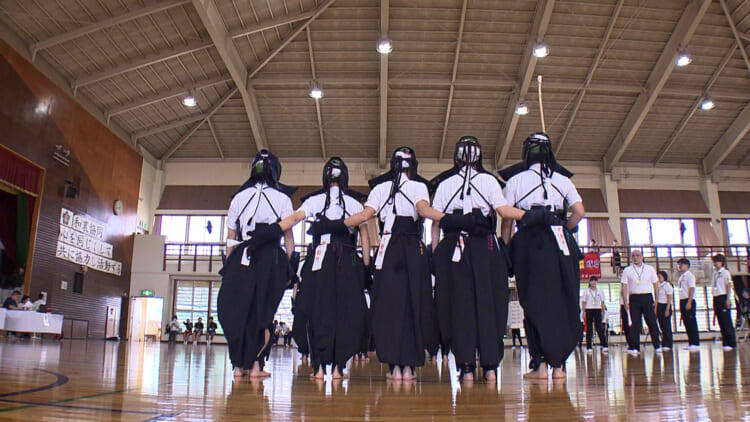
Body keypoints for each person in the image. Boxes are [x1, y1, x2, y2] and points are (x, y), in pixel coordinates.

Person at [343, 147, 444, 381]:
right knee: (414, 303)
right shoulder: (418, 186)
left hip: (387, 248)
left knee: (388, 306)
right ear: (412, 166)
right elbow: (424, 211)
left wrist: (338, 224)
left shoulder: (380, 188)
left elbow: (365, 215)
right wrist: (451, 219)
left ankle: (393, 367)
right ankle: (409, 366)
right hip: (412, 247)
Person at [429, 136, 525, 382]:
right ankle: (491, 367)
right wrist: (534, 217)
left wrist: (436, 253)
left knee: (458, 305)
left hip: (453, 247)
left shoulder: (445, 183)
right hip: (485, 246)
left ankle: (466, 366)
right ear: (479, 156)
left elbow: (436, 223)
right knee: (489, 302)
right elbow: (504, 213)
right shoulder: (489, 180)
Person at [500, 132, 585, 381]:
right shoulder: (562, 180)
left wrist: (507, 249)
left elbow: (506, 218)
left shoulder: (515, 180)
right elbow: (579, 211)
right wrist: (565, 228)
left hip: (529, 241)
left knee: (533, 302)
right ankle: (559, 366)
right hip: (560, 241)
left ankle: (539, 365)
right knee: (563, 301)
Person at [276, 157, 369, 379]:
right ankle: (338, 368)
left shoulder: (314, 201)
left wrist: (273, 230)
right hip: (347, 258)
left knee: (315, 309)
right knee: (346, 311)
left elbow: (294, 219)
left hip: (319, 256)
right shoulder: (356, 205)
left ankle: (318, 367)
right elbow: (365, 237)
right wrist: (366, 268)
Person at [218, 149, 296, 379]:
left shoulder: (238, 198)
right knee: (264, 311)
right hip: (271, 255)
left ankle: (238, 367)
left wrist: (229, 266)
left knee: (241, 309)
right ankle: (256, 366)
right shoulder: (282, 198)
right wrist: (293, 266)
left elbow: (230, 239)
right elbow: (289, 238)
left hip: (242, 256)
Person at [621, 249, 661, 356]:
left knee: (652, 322)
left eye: (637, 255)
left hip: (647, 297)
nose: (635, 257)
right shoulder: (627, 270)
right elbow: (624, 286)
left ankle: (657, 346)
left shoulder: (649, 269)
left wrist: (657, 300)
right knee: (635, 324)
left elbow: (656, 285)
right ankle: (635, 347)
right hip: (634, 298)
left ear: (642, 256)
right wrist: (625, 300)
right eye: (633, 255)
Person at [711, 254, 736, 351]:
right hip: (716, 297)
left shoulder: (725, 273)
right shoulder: (714, 273)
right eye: (714, 262)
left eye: (717, 261)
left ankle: (731, 342)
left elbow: (729, 286)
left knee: (726, 321)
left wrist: (728, 299)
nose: (715, 264)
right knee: (720, 321)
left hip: (723, 296)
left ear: (721, 262)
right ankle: (725, 342)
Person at [676, 258, 700, 351]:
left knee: (691, 322)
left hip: (688, 299)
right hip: (682, 300)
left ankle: (695, 343)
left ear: (687, 265)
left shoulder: (690, 276)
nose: (680, 267)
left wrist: (689, 301)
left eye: (681, 265)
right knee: (686, 322)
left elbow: (691, 288)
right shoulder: (681, 277)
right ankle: (691, 342)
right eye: (679, 265)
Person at [581, 276, 608, 353]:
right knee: (589, 329)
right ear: (589, 282)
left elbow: (602, 302)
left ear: (597, 282)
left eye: (595, 281)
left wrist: (604, 312)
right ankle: (589, 346)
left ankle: (604, 345)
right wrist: (584, 312)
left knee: (599, 328)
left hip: (597, 309)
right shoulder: (586, 291)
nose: (593, 282)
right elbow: (583, 302)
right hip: (589, 309)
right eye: (592, 281)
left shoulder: (600, 291)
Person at [655, 271, 674, 351]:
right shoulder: (658, 285)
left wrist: (667, 309)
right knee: (661, 325)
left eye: (660, 276)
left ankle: (668, 343)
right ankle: (664, 342)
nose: (658, 278)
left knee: (666, 326)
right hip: (659, 305)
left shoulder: (667, 285)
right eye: (658, 276)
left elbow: (669, 297)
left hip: (665, 305)